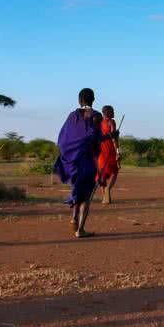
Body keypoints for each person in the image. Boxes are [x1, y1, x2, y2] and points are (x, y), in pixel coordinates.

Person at [54, 88, 110, 238]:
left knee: (79, 189)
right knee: (86, 195)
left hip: (73, 161)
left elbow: (63, 138)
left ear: (80, 100)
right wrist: (111, 136)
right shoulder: (97, 116)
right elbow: (95, 138)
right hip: (87, 160)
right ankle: (80, 229)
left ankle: (74, 217)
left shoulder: (72, 116)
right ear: (93, 99)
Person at [96, 105, 120, 204]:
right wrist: (117, 151)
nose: (114, 112)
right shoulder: (111, 122)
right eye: (112, 111)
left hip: (100, 150)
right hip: (110, 149)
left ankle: (104, 197)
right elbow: (114, 138)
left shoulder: (98, 122)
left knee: (102, 174)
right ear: (108, 113)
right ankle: (108, 189)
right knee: (115, 170)